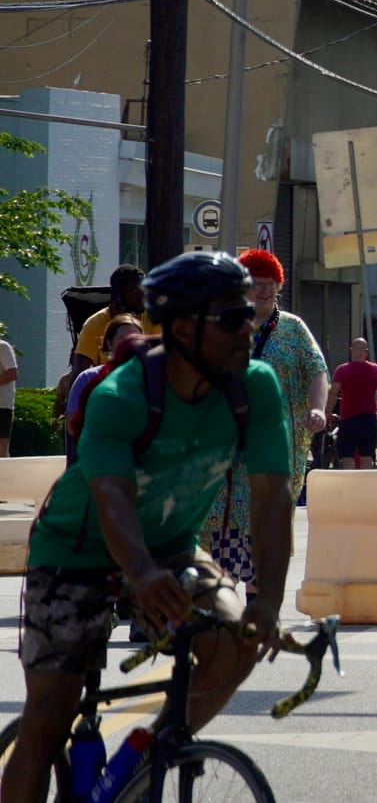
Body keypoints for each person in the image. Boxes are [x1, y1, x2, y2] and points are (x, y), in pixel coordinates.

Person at [3, 252, 291, 802]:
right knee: (48, 720)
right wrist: (138, 571)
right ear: (184, 328)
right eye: (232, 317)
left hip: (172, 547)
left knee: (236, 640)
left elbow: (273, 498)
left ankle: (140, 768)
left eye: (249, 313)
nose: (248, 327)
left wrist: (268, 600)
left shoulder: (255, 386)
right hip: (75, 550)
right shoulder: (123, 396)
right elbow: (111, 497)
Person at [204, 249, 326, 590]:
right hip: (227, 454)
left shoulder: (293, 329)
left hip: (274, 451)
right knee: (224, 534)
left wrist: (317, 408)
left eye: (270, 283)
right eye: (256, 283)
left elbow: (317, 370)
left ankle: (257, 620)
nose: (264, 290)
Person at [63, 315, 147, 464]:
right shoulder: (88, 378)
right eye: (123, 340)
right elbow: (72, 426)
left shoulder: (149, 379)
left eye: (136, 340)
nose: (130, 345)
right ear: (109, 343)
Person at [70, 263, 159, 374]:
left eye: (144, 290)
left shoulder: (154, 319)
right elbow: (78, 371)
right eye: (135, 291)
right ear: (119, 294)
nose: (142, 296)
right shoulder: (94, 324)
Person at [329, 337, 377, 470]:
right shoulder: (375, 369)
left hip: (348, 419)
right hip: (369, 419)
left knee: (347, 457)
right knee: (367, 456)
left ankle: (350, 486)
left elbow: (333, 392)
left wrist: (327, 412)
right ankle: (366, 487)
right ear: (366, 353)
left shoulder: (342, 369)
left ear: (351, 352)